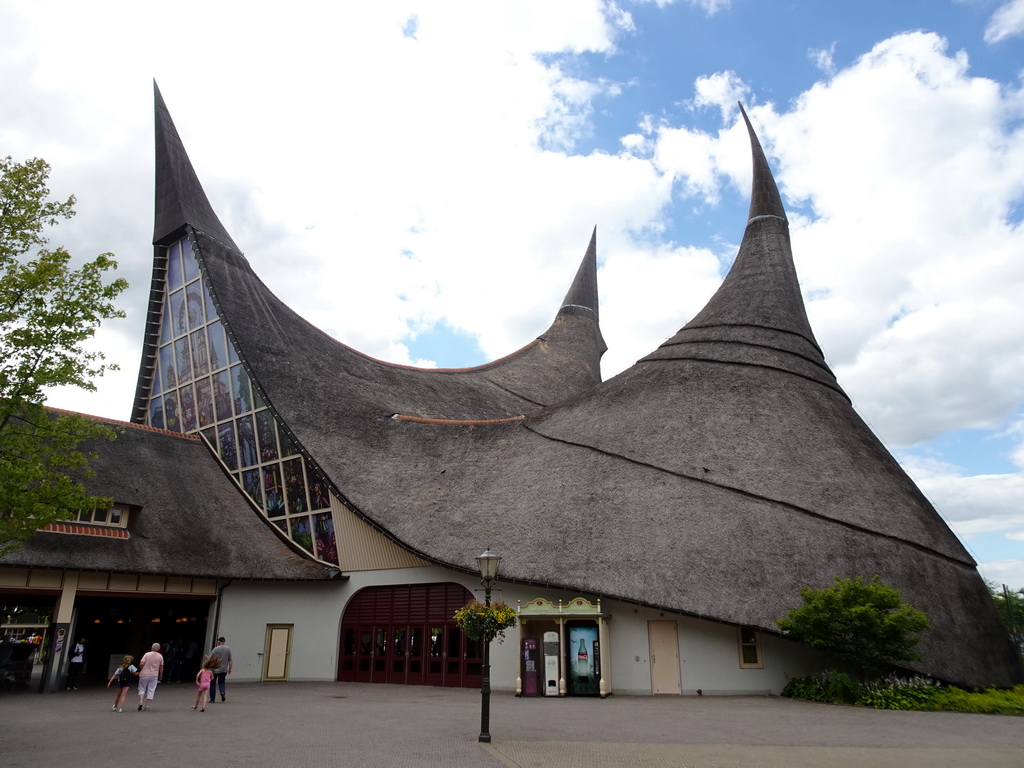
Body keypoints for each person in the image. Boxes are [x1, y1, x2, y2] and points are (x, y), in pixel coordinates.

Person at [136, 643, 164, 711]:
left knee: (142, 688)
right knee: (151, 689)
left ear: (152, 647)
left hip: (144, 674)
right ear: (158, 649)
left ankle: (141, 702)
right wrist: (161, 675)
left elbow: (142, 663)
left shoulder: (147, 654)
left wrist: (141, 668)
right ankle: (147, 705)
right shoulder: (160, 656)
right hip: (154, 675)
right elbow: (161, 667)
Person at [208, 637, 232, 702]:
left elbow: (210, 658)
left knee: (212, 683)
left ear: (218, 641)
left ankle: (212, 699)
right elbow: (230, 660)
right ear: (224, 642)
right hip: (224, 669)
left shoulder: (215, 649)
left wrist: (208, 667)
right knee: (221, 682)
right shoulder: (228, 649)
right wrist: (230, 668)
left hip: (215, 669)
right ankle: (222, 691)